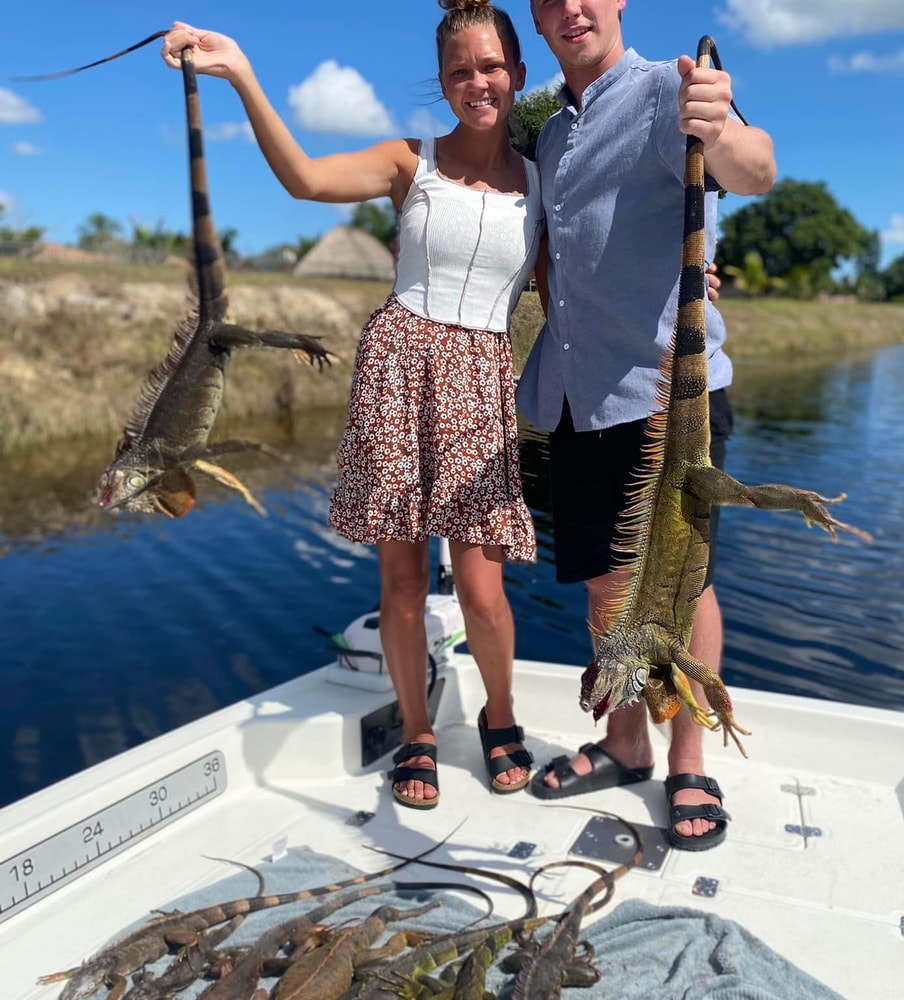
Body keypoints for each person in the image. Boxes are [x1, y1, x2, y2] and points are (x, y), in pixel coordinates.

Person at [161, 0, 542, 810]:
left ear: (517, 71)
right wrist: (240, 72)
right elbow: (302, 180)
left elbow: (572, 281)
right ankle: (418, 732)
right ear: (442, 83)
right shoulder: (412, 161)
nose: (478, 81)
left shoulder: (541, 181)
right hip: (399, 371)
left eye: (491, 65)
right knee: (403, 586)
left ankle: (499, 717)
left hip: (481, 382)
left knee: (482, 591)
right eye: (460, 70)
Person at [518, 0, 777, 850]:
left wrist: (725, 130)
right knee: (602, 584)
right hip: (578, 395)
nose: (570, 9)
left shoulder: (674, 86)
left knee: (683, 585)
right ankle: (625, 742)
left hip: (672, 402)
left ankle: (688, 759)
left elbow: (754, 166)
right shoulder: (552, 134)